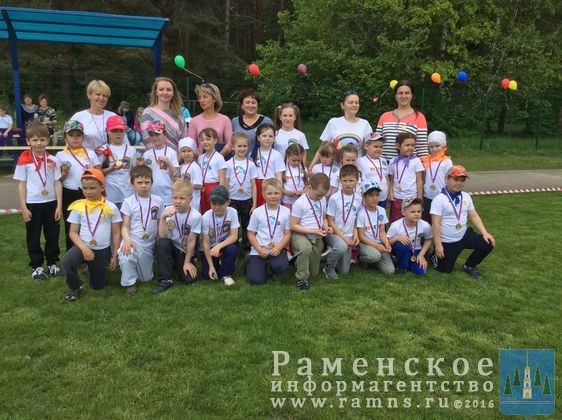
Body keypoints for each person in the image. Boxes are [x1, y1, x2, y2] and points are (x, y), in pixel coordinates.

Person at [61, 168, 122, 303]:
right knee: (67, 261)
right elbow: (72, 232)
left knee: (98, 286)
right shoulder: (78, 206)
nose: (88, 192)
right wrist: (84, 248)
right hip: (83, 247)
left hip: (102, 250)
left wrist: (115, 255)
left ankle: (92, 268)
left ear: (102, 187)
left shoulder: (111, 207)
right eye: (85, 188)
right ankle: (76, 288)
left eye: (92, 188)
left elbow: (116, 233)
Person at [14, 121, 63, 280]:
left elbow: (57, 182)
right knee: (33, 236)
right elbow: (22, 184)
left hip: (51, 203)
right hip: (33, 204)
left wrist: (59, 205)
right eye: (35, 140)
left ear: (48, 140)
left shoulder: (53, 160)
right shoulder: (24, 160)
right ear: (28, 141)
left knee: (52, 234)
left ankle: (52, 263)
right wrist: (24, 207)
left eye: (42, 139)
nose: (39, 143)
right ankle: (36, 266)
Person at [431, 165, 495, 280]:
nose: (459, 183)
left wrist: (485, 233)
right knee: (445, 270)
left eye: (462, 180)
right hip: (447, 241)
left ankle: (469, 266)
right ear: (446, 179)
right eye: (456, 179)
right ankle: (433, 255)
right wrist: (438, 245)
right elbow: (435, 224)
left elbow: (474, 216)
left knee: (488, 243)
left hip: (463, 235)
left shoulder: (466, 196)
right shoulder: (439, 199)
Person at [55, 120, 102, 250]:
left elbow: (99, 173)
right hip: (69, 193)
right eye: (71, 135)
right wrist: (64, 173)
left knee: (90, 223)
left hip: (88, 193)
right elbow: (57, 179)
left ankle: (90, 251)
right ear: (65, 138)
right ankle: (72, 252)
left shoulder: (90, 153)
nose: (75, 138)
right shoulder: (60, 155)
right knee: (71, 224)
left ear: (83, 137)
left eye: (78, 135)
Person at [118, 165, 163, 295]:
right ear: (132, 184)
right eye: (139, 182)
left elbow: (159, 223)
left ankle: (133, 269)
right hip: (133, 239)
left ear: (152, 183)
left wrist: (158, 242)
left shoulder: (158, 201)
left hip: (148, 243)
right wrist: (127, 240)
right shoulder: (128, 202)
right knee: (126, 254)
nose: (143, 186)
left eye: (147, 182)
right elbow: (125, 226)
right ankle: (129, 283)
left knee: (146, 278)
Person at [153, 179, 201, 293]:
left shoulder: (196, 216)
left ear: (190, 199)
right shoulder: (167, 210)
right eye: (175, 198)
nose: (178, 201)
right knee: (162, 243)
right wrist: (163, 218)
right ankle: (166, 279)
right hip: (171, 246)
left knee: (189, 279)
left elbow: (191, 242)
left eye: (182, 198)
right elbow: (163, 235)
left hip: (184, 250)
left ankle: (177, 265)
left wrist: (187, 262)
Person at [290, 173, 332, 291]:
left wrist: (326, 227)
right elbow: (293, 225)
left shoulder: (322, 199)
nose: (320, 197)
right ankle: (302, 279)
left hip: (316, 236)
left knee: (314, 273)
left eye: (323, 195)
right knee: (306, 248)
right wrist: (312, 231)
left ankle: (298, 260)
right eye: (318, 194)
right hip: (301, 235)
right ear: (309, 187)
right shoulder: (300, 203)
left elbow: (323, 217)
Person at [309, 90, 372, 170]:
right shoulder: (333, 122)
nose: (354, 105)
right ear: (342, 105)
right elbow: (323, 147)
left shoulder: (365, 124)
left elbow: (370, 148)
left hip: (355, 169)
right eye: (351, 102)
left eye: (357, 102)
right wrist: (312, 165)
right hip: (335, 168)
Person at [245, 178, 291, 285]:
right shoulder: (257, 212)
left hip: (276, 248)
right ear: (263, 195)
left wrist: (279, 248)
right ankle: (250, 261)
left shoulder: (286, 211)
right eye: (269, 193)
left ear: (281, 194)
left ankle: (273, 268)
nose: (273, 196)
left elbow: (288, 233)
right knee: (256, 281)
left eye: (276, 193)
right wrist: (259, 249)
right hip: (259, 249)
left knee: (281, 266)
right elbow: (250, 233)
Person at [324, 165, 361, 279]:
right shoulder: (334, 198)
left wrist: (355, 234)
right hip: (335, 234)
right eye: (345, 180)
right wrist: (343, 238)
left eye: (351, 180)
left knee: (344, 271)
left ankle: (330, 254)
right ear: (340, 180)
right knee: (341, 247)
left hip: (349, 236)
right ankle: (328, 268)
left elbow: (356, 219)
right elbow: (330, 221)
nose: (348, 184)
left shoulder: (359, 199)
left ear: (357, 181)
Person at [376, 80, 428, 160]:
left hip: (408, 165)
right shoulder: (384, 116)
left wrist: (424, 165)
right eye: (400, 93)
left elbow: (422, 148)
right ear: (396, 96)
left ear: (412, 95)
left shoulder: (419, 117)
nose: (403, 96)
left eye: (407, 93)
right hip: (384, 164)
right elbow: (376, 143)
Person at [200, 186, 239, 285]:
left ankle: (226, 274)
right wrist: (211, 266)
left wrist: (219, 246)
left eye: (221, 203)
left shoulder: (233, 212)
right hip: (210, 248)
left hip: (224, 244)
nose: (217, 207)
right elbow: (205, 243)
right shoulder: (205, 217)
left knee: (232, 249)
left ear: (228, 202)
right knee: (207, 276)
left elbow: (234, 236)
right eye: (214, 204)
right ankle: (217, 263)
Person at [226, 133, 257, 250]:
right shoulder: (228, 164)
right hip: (232, 200)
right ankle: (233, 247)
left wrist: (254, 204)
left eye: (245, 146)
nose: (242, 149)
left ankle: (247, 247)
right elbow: (226, 183)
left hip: (247, 199)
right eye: (239, 146)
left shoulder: (251, 164)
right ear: (233, 147)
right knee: (233, 225)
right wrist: (226, 199)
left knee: (247, 224)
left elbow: (254, 185)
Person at [388, 197, 433, 275]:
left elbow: (429, 239)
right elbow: (387, 242)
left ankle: (404, 262)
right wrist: (397, 238)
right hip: (401, 249)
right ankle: (401, 267)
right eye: (413, 212)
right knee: (402, 246)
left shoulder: (425, 225)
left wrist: (421, 255)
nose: (416, 214)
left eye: (419, 211)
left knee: (422, 272)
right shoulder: (395, 225)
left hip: (416, 250)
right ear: (403, 212)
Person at [356, 181, 394, 274]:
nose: (375, 198)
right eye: (371, 195)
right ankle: (362, 259)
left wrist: (386, 243)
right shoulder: (361, 213)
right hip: (366, 244)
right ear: (364, 197)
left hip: (379, 243)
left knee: (389, 271)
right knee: (374, 256)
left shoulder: (382, 210)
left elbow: (382, 232)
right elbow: (361, 236)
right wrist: (376, 246)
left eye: (377, 195)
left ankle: (375, 259)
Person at [70, 80, 117, 153]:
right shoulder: (78, 117)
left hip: (111, 159)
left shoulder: (113, 116)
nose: (101, 98)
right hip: (85, 159)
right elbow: (70, 144)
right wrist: (90, 152)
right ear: (89, 95)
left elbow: (123, 142)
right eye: (98, 94)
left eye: (104, 96)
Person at [141, 77, 186, 150]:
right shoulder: (148, 113)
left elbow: (184, 141)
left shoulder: (179, 116)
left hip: (175, 156)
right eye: (161, 89)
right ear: (156, 92)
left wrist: (175, 156)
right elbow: (147, 139)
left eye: (168, 90)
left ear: (173, 93)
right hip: (154, 155)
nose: (165, 92)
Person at [100, 116, 136, 208]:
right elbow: (99, 172)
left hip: (127, 194)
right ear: (107, 131)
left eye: (121, 131)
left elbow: (133, 172)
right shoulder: (103, 149)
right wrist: (112, 168)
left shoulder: (131, 150)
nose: (118, 134)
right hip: (110, 195)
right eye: (114, 131)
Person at [188, 83, 233, 157]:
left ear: (214, 98)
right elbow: (191, 145)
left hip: (220, 160)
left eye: (205, 97)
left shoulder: (225, 120)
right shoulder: (194, 121)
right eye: (199, 97)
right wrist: (203, 159)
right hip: (200, 160)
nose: (201, 100)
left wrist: (217, 158)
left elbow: (230, 143)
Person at [141, 121, 179, 206]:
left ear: (164, 134)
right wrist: (140, 166)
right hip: (151, 196)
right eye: (151, 135)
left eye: (157, 134)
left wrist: (168, 163)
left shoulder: (171, 152)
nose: (154, 137)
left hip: (168, 197)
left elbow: (177, 176)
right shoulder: (146, 155)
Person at [388, 132, 424, 223]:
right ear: (398, 146)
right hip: (396, 197)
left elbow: (419, 181)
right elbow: (391, 180)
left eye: (413, 145)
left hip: (411, 197)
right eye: (407, 145)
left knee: (411, 220)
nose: (410, 148)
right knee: (396, 221)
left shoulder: (416, 161)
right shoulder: (393, 161)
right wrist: (391, 192)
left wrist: (420, 197)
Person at [420, 131, 453, 223]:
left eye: (437, 146)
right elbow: (423, 178)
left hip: (441, 196)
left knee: (439, 220)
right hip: (427, 196)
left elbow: (450, 179)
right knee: (426, 219)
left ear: (442, 145)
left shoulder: (447, 161)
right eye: (431, 146)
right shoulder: (426, 160)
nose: (434, 149)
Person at [231, 89, 273, 157]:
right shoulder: (235, 121)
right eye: (247, 102)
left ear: (257, 105)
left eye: (253, 103)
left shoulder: (266, 121)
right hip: (238, 161)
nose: (250, 105)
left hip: (260, 161)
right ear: (242, 105)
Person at [252, 123, 285, 207]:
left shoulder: (277, 155)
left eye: (270, 136)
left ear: (274, 138)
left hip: (271, 187)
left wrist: (279, 193)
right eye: (264, 136)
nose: (267, 138)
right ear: (258, 137)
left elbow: (279, 177)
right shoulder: (252, 154)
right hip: (256, 187)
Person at [198, 128, 227, 214]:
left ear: (215, 141)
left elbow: (222, 179)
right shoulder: (200, 158)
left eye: (208, 139)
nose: (205, 142)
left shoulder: (219, 158)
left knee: (213, 211)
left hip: (214, 188)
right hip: (202, 188)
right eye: (202, 140)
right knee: (203, 211)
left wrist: (220, 194)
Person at [357, 132, 390, 209]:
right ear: (366, 146)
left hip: (383, 198)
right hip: (368, 199)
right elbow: (358, 182)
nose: (379, 149)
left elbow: (387, 179)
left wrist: (388, 194)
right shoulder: (360, 161)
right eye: (375, 146)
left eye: (381, 147)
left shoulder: (383, 161)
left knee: (380, 215)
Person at [178, 137, 203, 212]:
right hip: (182, 197)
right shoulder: (180, 167)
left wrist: (185, 184)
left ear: (194, 152)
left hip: (193, 199)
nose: (186, 154)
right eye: (183, 151)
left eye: (189, 151)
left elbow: (199, 185)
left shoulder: (195, 167)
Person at [282, 143, 308, 209]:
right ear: (287, 156)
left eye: (299, 160)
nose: (296, 162)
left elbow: (307, 184)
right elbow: (278, 185)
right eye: (293, 160)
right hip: (287, 201)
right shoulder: (283, 168)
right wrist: (286, 192)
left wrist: (304, 191)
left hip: (301, 201)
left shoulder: (303, 169)